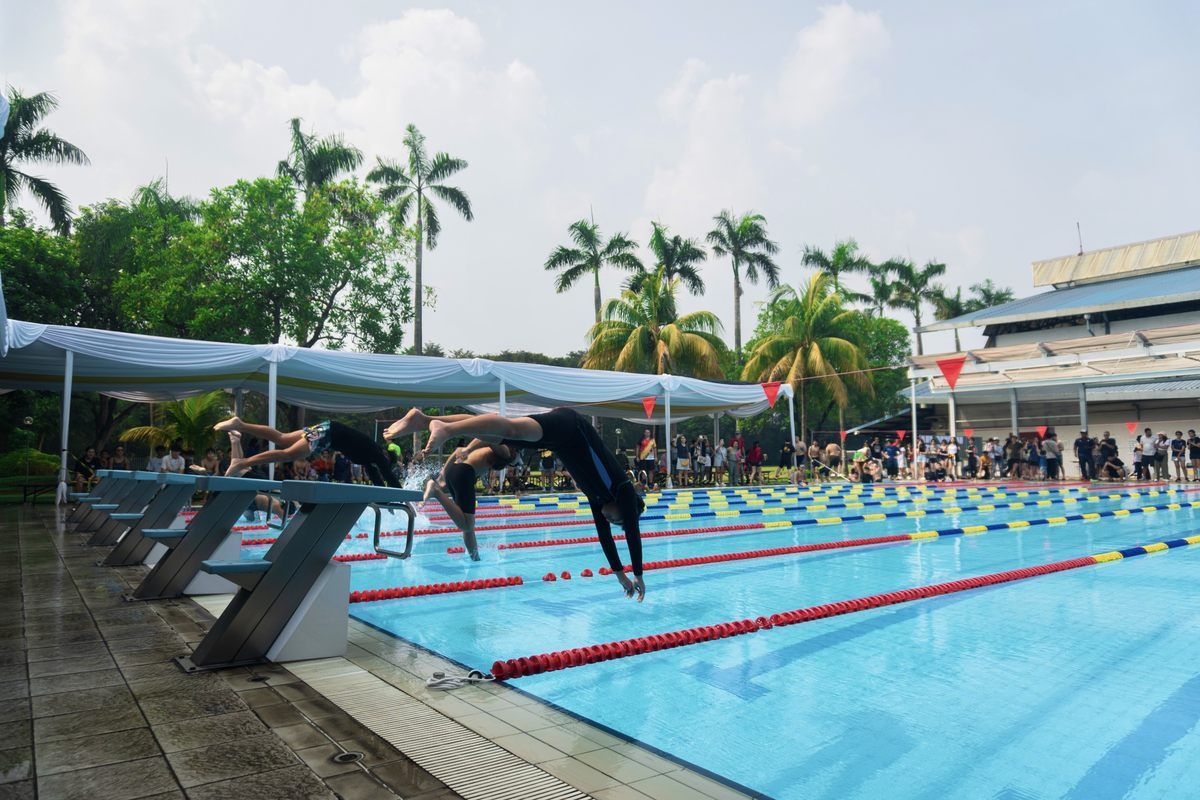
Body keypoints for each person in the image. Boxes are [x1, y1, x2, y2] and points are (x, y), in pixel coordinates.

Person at [388, 407, 647, 600]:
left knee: (501, 434)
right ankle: (446, 429)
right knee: (508, 430)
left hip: (560, 442)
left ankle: (422, 420)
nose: (609, 521)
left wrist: (620, 575)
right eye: (616, 520)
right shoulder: (621, 487)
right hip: (572, 427)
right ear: (624, 508)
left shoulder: (598, 497)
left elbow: (605, 538)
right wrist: (638, 573)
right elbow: (632, 533)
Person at [215, 416, 402, 488]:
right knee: (288, 453)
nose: (383, 461)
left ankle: (240, 424)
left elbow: (377, 477)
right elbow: (387, 474)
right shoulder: (376, 451)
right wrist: (403, 498)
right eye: (385, 459)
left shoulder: (370, 458)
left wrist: (388, 502)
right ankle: (242, 463)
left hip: (326, 430)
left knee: (281, 438)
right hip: (327, 434)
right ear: (386, 455)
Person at [423, 441, 516, 560]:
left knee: (468, 527)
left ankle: (475, 558)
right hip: (464, 472)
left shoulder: (485, 449)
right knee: (467, 526)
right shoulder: (504, 450)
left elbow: (458, 450)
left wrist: (443, 474)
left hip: (455, 470)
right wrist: (469, 448)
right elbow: (484, 436)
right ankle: (436, 492)